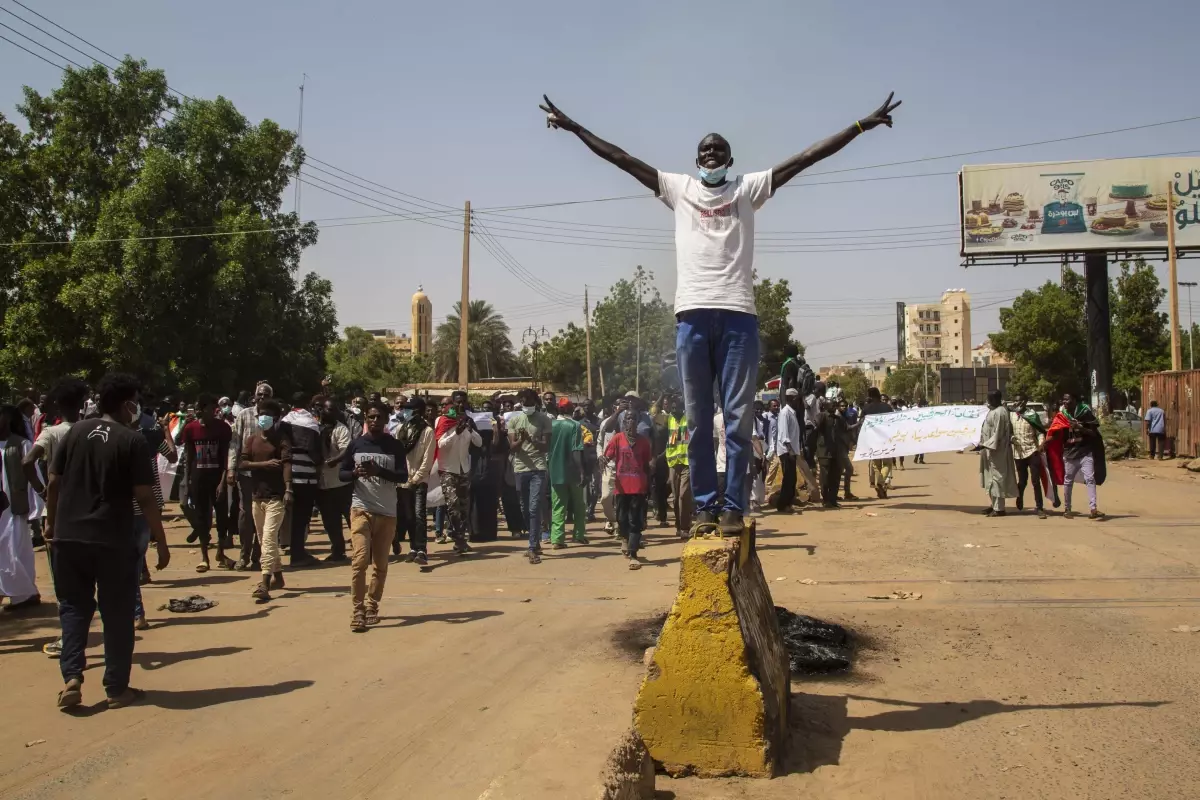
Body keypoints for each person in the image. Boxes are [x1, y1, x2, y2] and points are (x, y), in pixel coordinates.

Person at [540, 91, 901, 537]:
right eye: (705, 150)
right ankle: (705, 507)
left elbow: (806, 158)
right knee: (697, 421)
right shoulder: (679, 189)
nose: (711, 154)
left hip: (738, 317)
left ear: (730, 159)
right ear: (697, 160)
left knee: (736, 420)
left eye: (719, 149)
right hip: (692, 316)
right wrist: (575, 127)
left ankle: (733, 507)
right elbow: (622, 159)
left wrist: (860, 126)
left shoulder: (748, 189)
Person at [45, 373, 170, 710]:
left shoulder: (75, 432)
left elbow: (54, 482)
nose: (137, 408)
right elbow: (145, 496)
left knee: (73, 608)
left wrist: (51, 522)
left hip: (68, 536)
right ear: (126, 403)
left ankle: (72, 677)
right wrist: (160, 540)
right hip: (111, 539)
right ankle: (116, 688)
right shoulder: (132, 440)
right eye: (135, 402)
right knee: (116, 613)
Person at [339, 401, 407, 632]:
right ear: (365, 419)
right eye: (371, 417)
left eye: (379, 417)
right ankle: (357, 610)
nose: (375, 421)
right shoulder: (356, 444)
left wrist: (380, 471)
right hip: (361, 509)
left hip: (387, 512)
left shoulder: (394, 446)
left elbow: (402, 476)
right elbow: (342, 473)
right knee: (359, 561)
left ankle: (372, 606)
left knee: (380, 564)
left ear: (386, 420)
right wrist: (354, 473)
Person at [238, 399, 292, 602]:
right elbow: (243, 463)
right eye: (261, 414)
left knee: (269, 539)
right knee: (263, 539)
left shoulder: (282, 440)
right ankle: (278, 576)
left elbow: (287, 465)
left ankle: (265, 582)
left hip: (275, 497)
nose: (264, 417)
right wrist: (264, 464)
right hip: (257, 496)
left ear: (276, 418)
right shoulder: (251, 440)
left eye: (268, 414)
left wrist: (288, 489)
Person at [180, 393, 233, 572]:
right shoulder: (191, 429)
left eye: (213, 408)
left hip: (217, 479)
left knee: (222, 516)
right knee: (202, 517)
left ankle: (220, 552)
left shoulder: (223, 428)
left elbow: (226, 456)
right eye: (209, 409)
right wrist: (187, 481)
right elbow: (188, 457)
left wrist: (223, 481)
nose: (213, 412)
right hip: (198, 479)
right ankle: (204, 557)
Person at [227, 382, 273, 571]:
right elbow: (234, 443)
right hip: (246, 473)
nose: (262, 398)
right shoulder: (244, 415)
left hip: (268, 474)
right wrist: (231, 469)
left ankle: (258, 556)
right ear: (254, 396)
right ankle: (243, 555)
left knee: (263, 515)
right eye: (259, 394)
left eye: (266, 395)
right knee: (245, 514)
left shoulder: (274, 417)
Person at [1, 405, 40, 611]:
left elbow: (34, 476)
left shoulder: (21, 444)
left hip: (14, 509)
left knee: (16, 551)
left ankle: (24, 594)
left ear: (7, 418)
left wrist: (38, 508)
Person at [604, 410, 653, 569]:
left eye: (633, 418)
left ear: (638, 422)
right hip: (621, 488)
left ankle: (633, 554)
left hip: (638, 487)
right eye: (627, 418)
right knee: (622, 519)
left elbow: (646, 465)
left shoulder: (644, 442)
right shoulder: (617, 439)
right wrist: (602, 460)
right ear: (624, 422)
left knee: (635, 520)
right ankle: (625, 539)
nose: (630, 421)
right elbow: (607, 455)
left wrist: (648, 485)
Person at [509, 388, 553, 563]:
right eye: (523, 401)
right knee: (525, 508)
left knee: (534, 507)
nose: (526, 404)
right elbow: (512, 447)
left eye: (529, 401)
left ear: (535, 402)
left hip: (538, 468)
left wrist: (532, 439)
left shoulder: (544, 419)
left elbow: (546, 446)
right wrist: (521, 439)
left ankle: (532, 547)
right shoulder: (514, 420)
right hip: (520, 469)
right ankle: (534, 539)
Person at [281, 392, 323, 568]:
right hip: (306, 477)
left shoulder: (284, 421)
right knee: (301, 517)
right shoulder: (311, 423)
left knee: (285, 517)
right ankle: (298, 554)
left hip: (286, 476)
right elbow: (315, 452)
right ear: (307, 403)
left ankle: (292, 551)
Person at [433, 391, 477, 556]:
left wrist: (470, 430)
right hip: (447, 469)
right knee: (453, 505)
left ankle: (460, 538)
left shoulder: (468, 420)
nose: (460, 405)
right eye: (457, 402)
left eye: (463, 402)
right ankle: (457, 538)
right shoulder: (442, 420)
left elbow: (479, 443)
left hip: (463, 469)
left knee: (464, 507)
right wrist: (455, 433)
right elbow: (440, 444)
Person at [1048, 391, 1105, 520]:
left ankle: (1093, 509)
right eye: (1063, 399)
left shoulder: (1085, 412)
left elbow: (1093, 433)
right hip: (1070, 453)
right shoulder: (1062, 415)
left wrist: (1079, 427)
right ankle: (1067, 509)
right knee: (1068, 481)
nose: (1064, 402)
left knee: (1090, 479)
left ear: (1074, 400)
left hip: (1085, 451)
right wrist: (1046, 443)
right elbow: (1055, 433)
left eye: (1067, 399)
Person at [396, 397, 435, 565]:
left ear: (418, 411)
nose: (406, 412)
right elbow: (398, 454)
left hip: (419, 479)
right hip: (403, 480)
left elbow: (427, 459)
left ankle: (421, 550)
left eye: (409, 409)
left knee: (419, 514)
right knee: (408, 515)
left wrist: (417, 478)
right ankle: (413, 548)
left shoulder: (427, 431)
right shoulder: (401, 429)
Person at [549, 399, 588, 549]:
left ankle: (557, 539)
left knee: (558, 506)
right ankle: (578, 535)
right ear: (571, 410)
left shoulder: (551, 425)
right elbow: (576, 449)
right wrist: (582, 471)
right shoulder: (575, 425)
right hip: (572, 471)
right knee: (579, 505)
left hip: (555, 470)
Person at [317, 398, 351, 563]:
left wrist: (334, 460)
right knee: (330, 522)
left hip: (341, 483)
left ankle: (365, 550)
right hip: (323, 484)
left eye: (333, 410)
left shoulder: (341, 429)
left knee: (351, 519)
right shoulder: (316, 428)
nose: (329, 412)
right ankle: (338, 551)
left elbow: (346, 450)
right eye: (327, 409)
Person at [978, 390, 1018, 517]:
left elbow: (998, 434)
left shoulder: (1000, 412)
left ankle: (999, 508)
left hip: (997, 451)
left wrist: (985, 444)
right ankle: (993, 505)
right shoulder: (992, 411)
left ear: (996, 399)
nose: (988, 401)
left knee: (997, 478)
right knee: (990, 477)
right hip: (988, 450)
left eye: (990, 399)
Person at [1010, 395, 1048, 519]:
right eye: (1015, 401)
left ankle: (1039, 507)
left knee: (1035, 481)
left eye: (1019, 401)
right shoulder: (1011, 415)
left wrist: (1041, 444)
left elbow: (1040, 432)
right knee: (1022, 481)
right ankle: (1020, 496)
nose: (1017, 403)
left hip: (1032, 451)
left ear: (1025, 402)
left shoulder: (1032, 415)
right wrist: (1011, 438)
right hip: (1018, 453)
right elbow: (1008, 431)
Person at [665, 394, 693, 538]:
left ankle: (685, 527)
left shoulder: (689, 419)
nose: (674, 410)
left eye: (677, 407)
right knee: (676, 497)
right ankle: (678, 524)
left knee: (684, 495)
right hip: (673, 463)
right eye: (672, 407)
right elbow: (653, 413)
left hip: (687, 463)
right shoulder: (667, 419)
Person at [861, 388, 896, 499]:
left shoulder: (866, 408)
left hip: (872, 440)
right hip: (885, 440)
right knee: (887, 464)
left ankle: (880, 486)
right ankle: (881, 484)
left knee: (876, 465)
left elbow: (862, 424)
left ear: (869, 396)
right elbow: (893, 422)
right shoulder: (887, 407)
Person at [774, 389, 803, 513]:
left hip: (792, 451)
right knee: (788, 479)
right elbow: (784, 435)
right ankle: (782, 505)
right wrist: (790, 451)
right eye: (797, 399)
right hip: (786, 451)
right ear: (792, 398)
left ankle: (789, 502)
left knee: (792, 478)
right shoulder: (785, 413)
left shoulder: (792, 413)